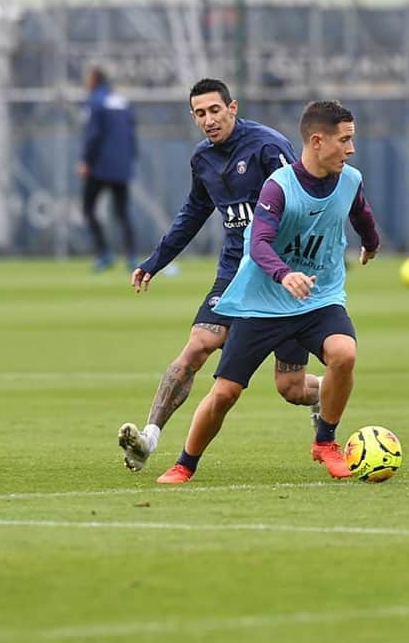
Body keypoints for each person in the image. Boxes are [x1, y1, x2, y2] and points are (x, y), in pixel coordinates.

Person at [156, 99, 380, 484]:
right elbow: (258, 243)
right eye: (344, 140)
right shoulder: (278, 187)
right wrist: (283, 274)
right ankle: (185, 464)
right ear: (316, 141)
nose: (351, 149)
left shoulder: (350, 179)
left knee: (344, 353)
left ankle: (325, 441)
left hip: (318, 298)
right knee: (225, 393)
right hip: (263, 303)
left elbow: (360, 212)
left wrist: (371, 243)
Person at [119, 78, 322, 472]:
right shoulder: (203, 160)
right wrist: (154, 262)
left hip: (283, 275)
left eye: (215, 110)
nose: (209, 120)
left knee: (290, 388)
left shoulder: (267, 147)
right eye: (200, 113)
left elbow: (301, 202)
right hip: (236, 273)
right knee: (197, 345)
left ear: (233, 108)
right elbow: (192, 215)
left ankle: (324, 393)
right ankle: (148, 439)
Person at [78, 65, 137, 272]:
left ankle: (104, 254)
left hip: (100, 167)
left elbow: (93, 135)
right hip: (121, 165)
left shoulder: (95, 101)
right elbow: (131, 133)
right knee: (122, 212)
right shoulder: (121, 101)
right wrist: (129, 159)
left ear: (94, 81)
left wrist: (86, 160)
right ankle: (131, 257)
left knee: (88, 207)